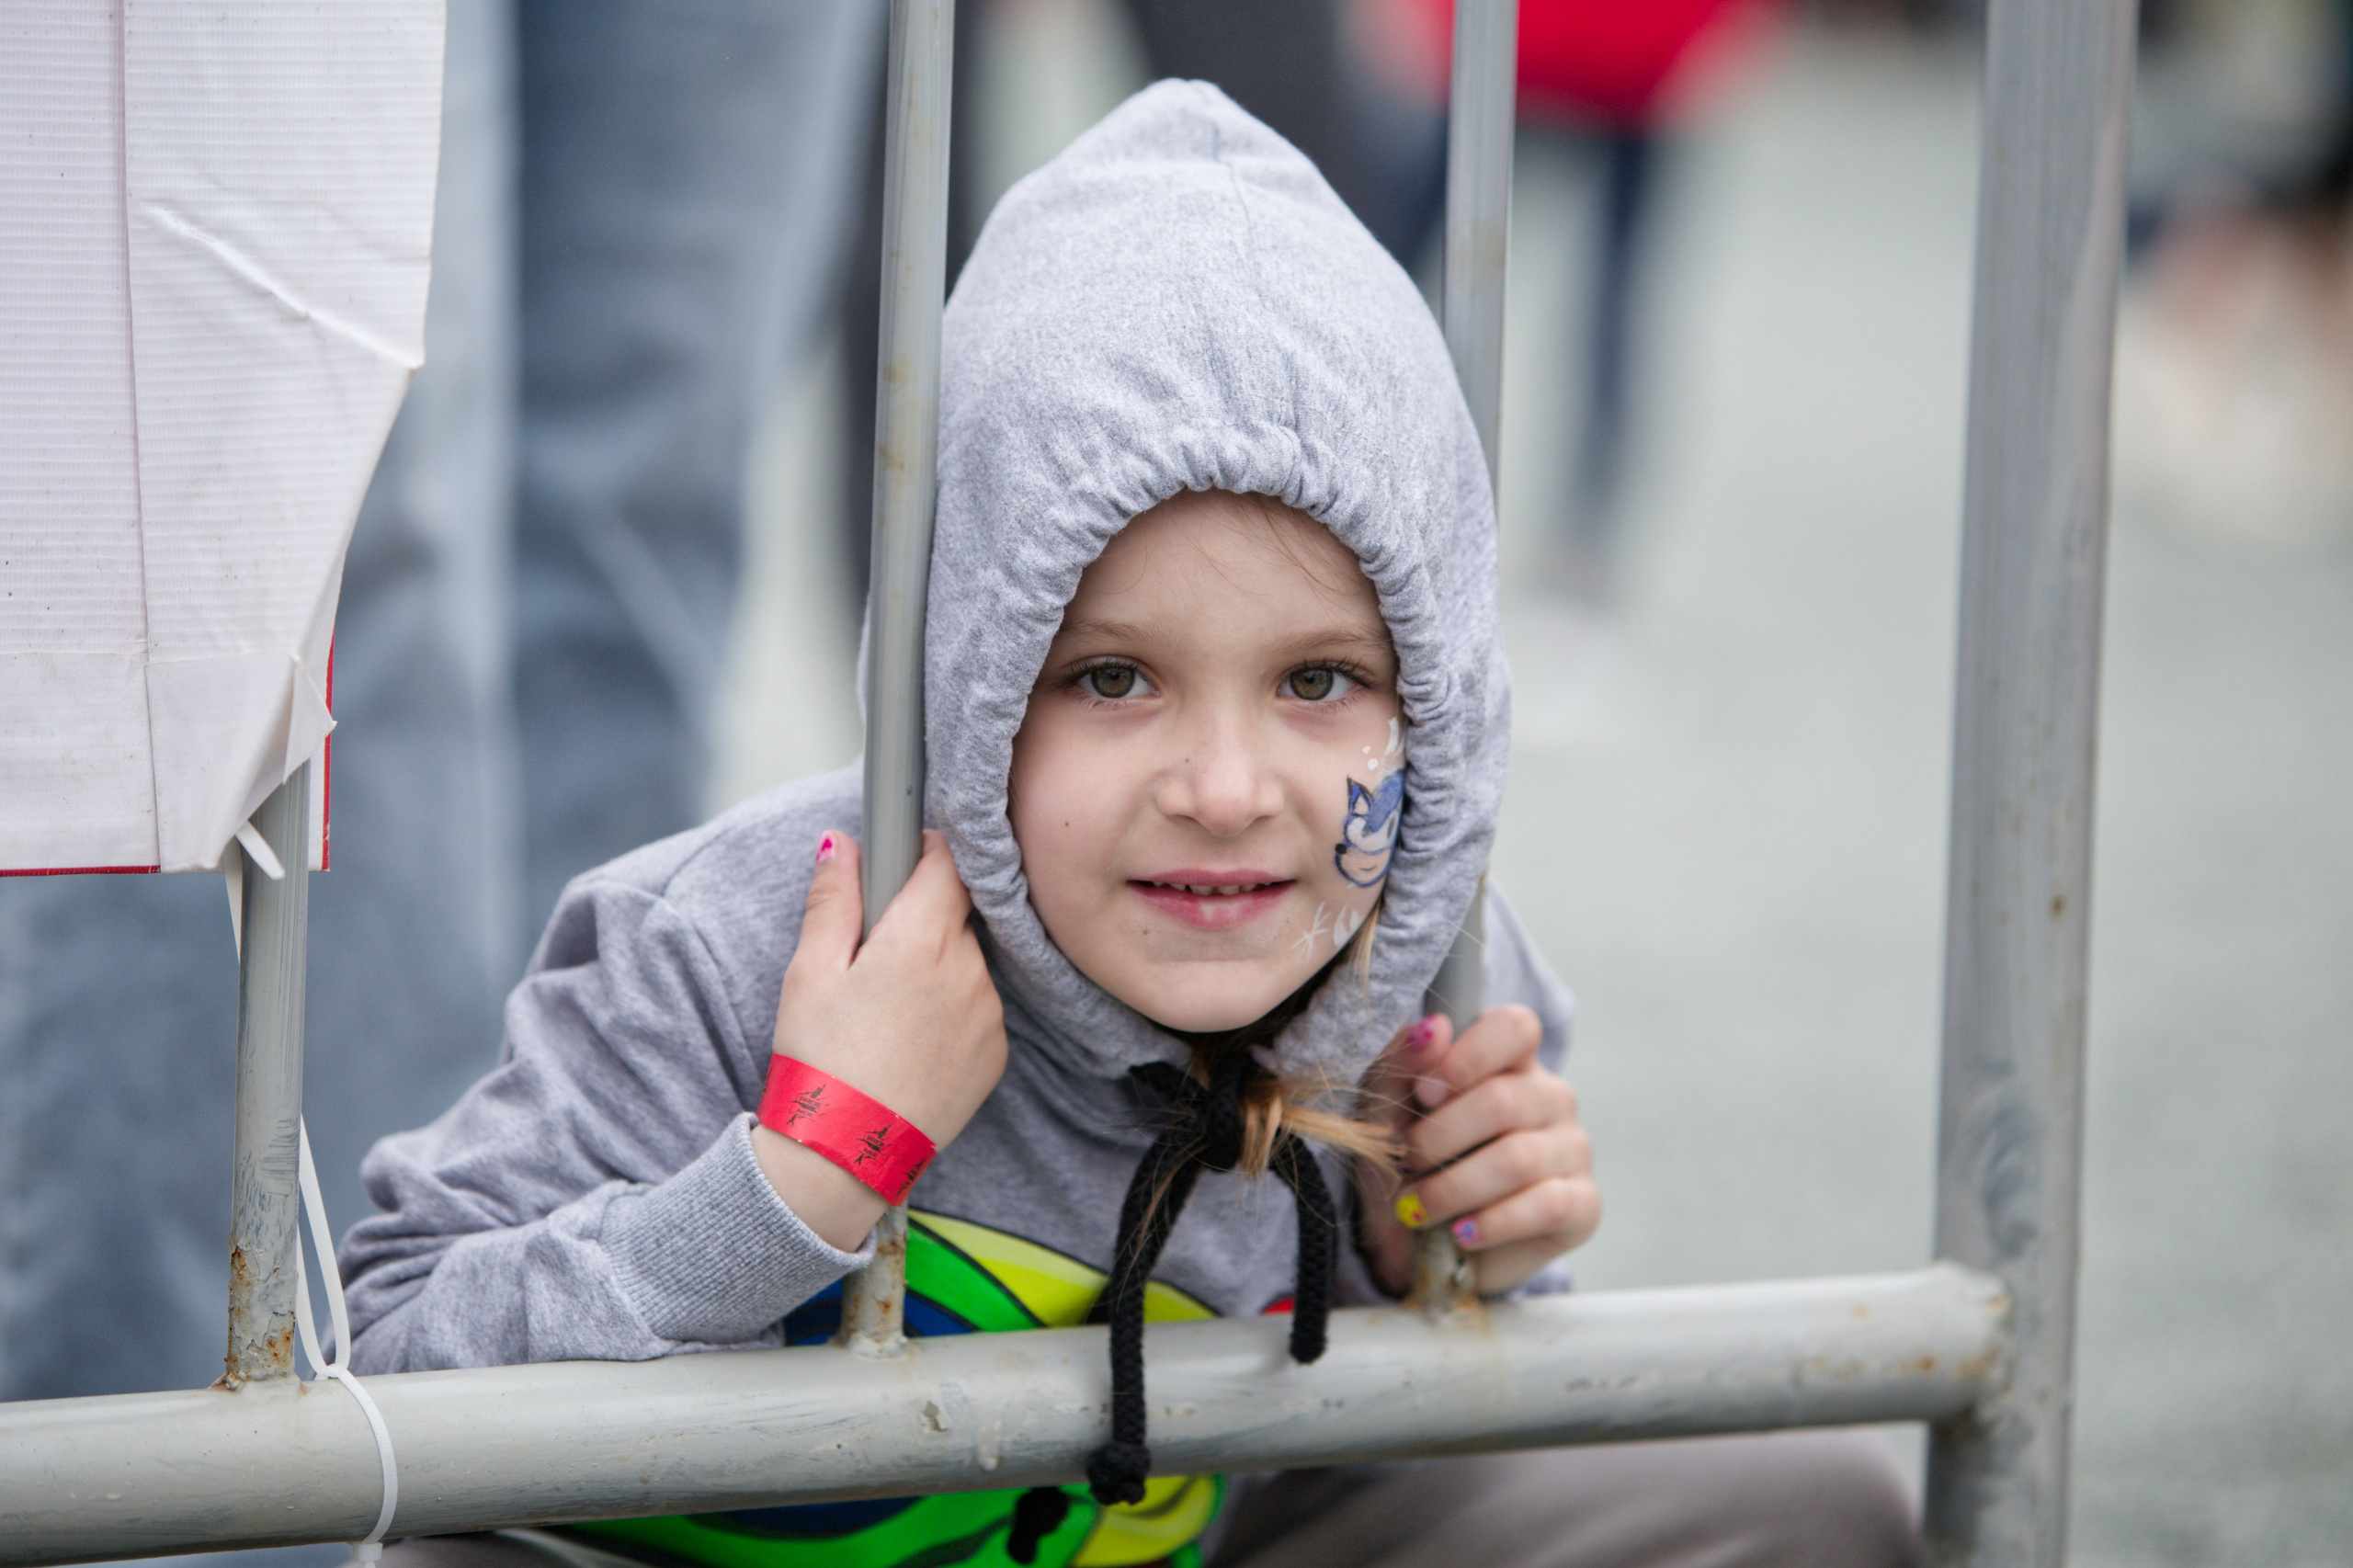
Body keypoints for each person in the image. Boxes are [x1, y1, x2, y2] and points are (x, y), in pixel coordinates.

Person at [345, 84, 1918, 1568]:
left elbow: (1438, 1435)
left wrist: (1444, 1258)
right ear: (964, 686)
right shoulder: (743, 937)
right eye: (1111, 677)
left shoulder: (1424, 953)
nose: (1227, 790)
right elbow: (395, 1359)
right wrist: (799, 1181)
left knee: (1817, 1496)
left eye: (1318, 679)